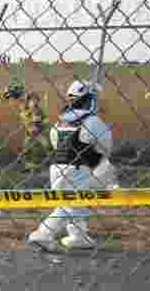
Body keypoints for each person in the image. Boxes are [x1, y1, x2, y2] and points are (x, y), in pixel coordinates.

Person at [26, 80, 113, 252]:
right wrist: (95, 158)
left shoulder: (61, 120)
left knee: (74, 201)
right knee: (71, 203)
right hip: (78, 167)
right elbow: (106, 146)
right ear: (89, 99)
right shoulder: (92, 121)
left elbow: (55, 142)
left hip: (57, 167)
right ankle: (43, 233)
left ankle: (78, 236)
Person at [1, 81, 50, 171]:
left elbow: (36, 115)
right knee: (29, 146)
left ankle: (37, 165)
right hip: (31, 128)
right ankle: (31, 166)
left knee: (37, 145)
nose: (10, 100)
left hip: (39, 128)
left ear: (16, 94)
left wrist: (34, 127)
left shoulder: (31, 101)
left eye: (11, 97)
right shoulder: (22, 103)